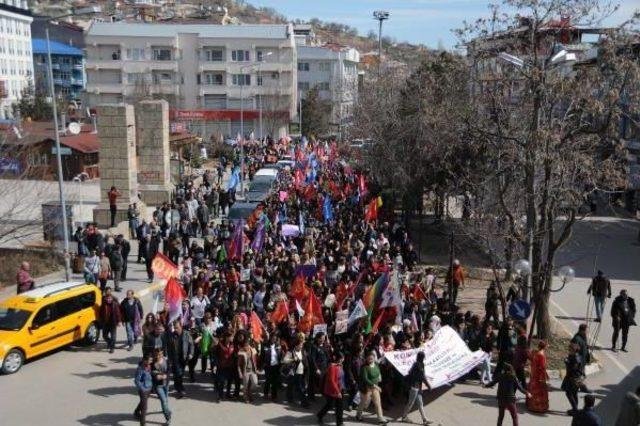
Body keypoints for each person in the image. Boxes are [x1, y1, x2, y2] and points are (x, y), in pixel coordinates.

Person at [400, 351, 433, 425]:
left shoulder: (418, 364)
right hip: (414, 387)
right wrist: (428, 386)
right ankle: (404, 417)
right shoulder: (418, 365)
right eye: (423, 357)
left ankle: (424, 419)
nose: (423, 358)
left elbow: (410, 372)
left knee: (420, 403)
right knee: (410, 403)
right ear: (422, 357)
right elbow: (422, 377)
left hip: (417, 387)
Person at [356, 351, 387, 425]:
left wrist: (380, 376)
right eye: (369, 359)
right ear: (366, 359)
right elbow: (365, 379)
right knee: (364, 403)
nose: (370, 360)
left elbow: (378, 371)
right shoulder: (364, 367)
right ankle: (358, 415)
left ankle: (380, 418)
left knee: (378, 403)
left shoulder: (375, 364)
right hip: (367, 388)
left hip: (375, 388)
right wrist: (376, 386)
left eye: (372, 359)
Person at [317, 351, 346, 426]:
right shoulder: (332, 367)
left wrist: (342, 388)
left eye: (343, 358)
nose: (343, 360)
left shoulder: (340, 365)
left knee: (340, 407)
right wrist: (338, 392)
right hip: (332, 390)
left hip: (340, 388)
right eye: (341, 358)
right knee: (329, 405)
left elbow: (341, 378)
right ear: (337, 358)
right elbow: (332, 381)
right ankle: (320, 415)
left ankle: (340, 423)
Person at [167, 320, 194, 399]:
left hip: (184, 357)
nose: (175, 330)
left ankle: (177, 385)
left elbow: (191, 344)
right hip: (175, 358)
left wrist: (191, 354)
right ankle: (180, 390)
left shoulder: (186, 334)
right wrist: (169, 359)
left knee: (179, 374)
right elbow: (169, 348)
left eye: (177, 328)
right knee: (178, 374)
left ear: (181, 326)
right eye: (174, 328)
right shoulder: (172, 336)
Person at [283, 335, 310, 408]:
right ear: (296, 345)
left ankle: (304, 402)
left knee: (300, 387)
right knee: (291, 386)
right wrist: (293, 359)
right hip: (293, 373)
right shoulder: (291, 352)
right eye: (300, 345)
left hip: (301, 373)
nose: (301, 346)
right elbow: (285, 360)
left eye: (302, 345)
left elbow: (306, 360)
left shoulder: (303, 351)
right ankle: (292, 398)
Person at [561, 343, 588, 415]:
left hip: (573, 378)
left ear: (573, 350)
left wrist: (566, 362)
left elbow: (573, 369)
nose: (568, 351)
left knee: (569, 393)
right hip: (575, 378)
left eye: (570, 349)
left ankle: (575, 410)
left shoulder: (576, 358)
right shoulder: (576, 356)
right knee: (574, 393)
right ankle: (574, 408)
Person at [526, 340, 549, 413]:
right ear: (544, 347)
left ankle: (531, 405)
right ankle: (539, 407)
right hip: (539, 375)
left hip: (534, 373)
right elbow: (542, 367)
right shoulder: (541, 354)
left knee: (533, 388)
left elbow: (531, 359)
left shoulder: (536, 353)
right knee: (540, 391)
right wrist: (544, 376)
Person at [152, 348, 172, 425]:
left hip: (166, 384)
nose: (158, 356)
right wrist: (156, 375)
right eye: (157, 355)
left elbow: (169, 370)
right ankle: (168, 417)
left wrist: (166, 376)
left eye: (160, 354)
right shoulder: (152, 363)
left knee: (166, 399)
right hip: (158, 385)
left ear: (162, 354)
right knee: (163, 401)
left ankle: (166, 409)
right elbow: (151, 372)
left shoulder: (166, 360)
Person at [237, 333, 259, 403]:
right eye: (246, 342)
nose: (247, 343)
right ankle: (245, 396)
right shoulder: (241, 351)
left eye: (248, 342)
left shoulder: (253, 350)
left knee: (255, 383)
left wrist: (257, 368)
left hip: (252, 370)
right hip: (245, 371)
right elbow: (238, 364)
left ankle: (249, 392)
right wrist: (240, 372)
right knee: (246, 384)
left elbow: (255, 360)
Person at [261, 332, 282, 401]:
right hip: (268, 366)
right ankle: (266, 394)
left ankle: (274, 396)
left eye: (275, 338)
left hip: (276, 366)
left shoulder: (278, 345)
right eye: (273, 338)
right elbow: (262, 356)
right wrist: (261, 365)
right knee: (268, 380)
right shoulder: (265, 345)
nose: (274, 339)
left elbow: (280, 355)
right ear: (270, 338)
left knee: (275, 382)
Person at [99, 287, 121, 353]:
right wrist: (100, 320)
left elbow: (118, 313)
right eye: (107, 299)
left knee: (113, 337)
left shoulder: (115, 303)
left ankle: (112, 348)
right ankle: (110, 342)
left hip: (113, 322)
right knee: (104, 336)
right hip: (106, 322)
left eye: (110, 299)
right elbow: (101, 312)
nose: (109, 299)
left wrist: (119, 321)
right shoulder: (103, 303)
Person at [134, 355, 153, 426]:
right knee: (144, 408)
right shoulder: (140, 369)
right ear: (144, 360)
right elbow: (136, 381)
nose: (151, 362)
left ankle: (136, 412)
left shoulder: (149, 366)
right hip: (143, 390)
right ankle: (142, 423)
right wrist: (142, 389)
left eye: (151, 360)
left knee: (142, 402)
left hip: (149, 388)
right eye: (149, 360)